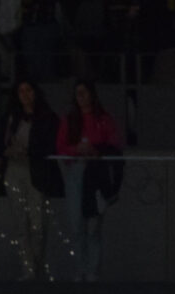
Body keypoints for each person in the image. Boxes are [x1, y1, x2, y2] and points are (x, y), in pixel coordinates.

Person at [0, 79, 64, 281]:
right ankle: (28, 270)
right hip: (14, 170)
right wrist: (7, 151)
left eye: (28, 90)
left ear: (35, 92)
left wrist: (29, 152)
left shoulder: (47, 118)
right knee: (21, 223)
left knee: (38, 224)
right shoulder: (11, 118)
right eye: (21, 91)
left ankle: (38, 266)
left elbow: (52, 145)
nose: (25, 94)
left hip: (37, 172)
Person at [55, 81, 122, 282]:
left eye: (84, 93)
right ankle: (80, 269)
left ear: (92, 95)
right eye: (78, 93)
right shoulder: (69, 120)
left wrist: (96, 151)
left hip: (96, 173)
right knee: (77, 225)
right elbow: (60, 147)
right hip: (76, 173)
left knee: (94, 225)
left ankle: (93, 271)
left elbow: (114, 146)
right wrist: (77, 151)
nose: (81, 97)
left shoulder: (104, 119)